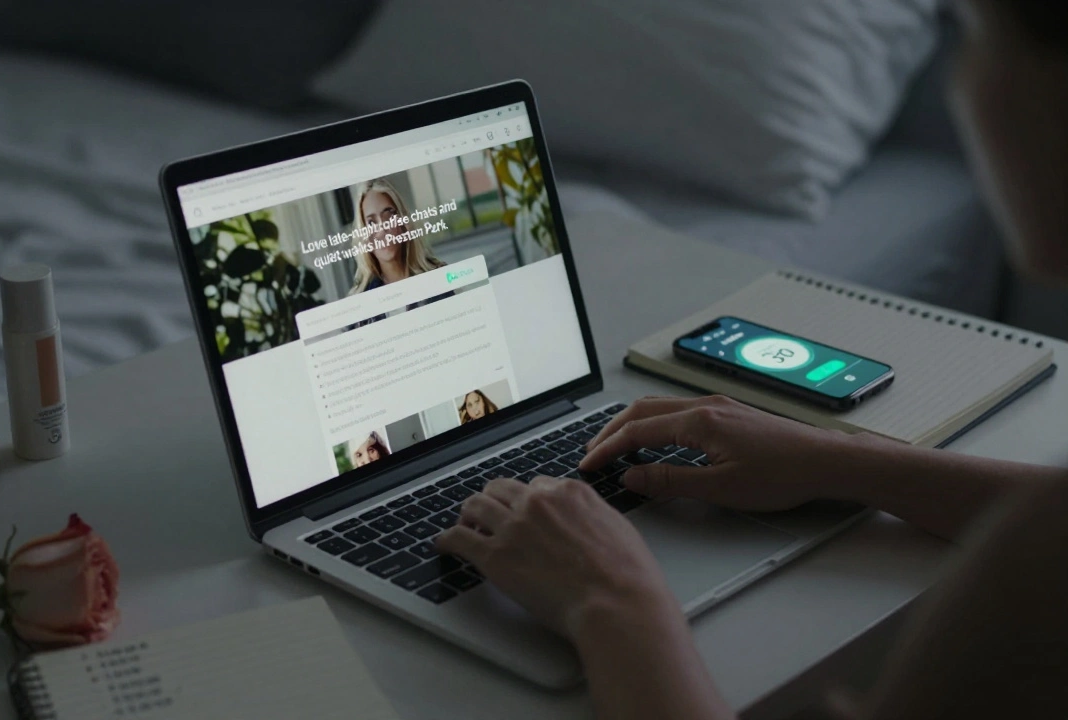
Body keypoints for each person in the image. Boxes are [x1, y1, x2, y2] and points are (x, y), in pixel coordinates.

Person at [437, 2, 1068, 718]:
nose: (965, 84)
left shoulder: (1030, 573)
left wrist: (611, 598)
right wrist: (839, 459)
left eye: (979, 38)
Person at [348, 178, 445, 295]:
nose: (382, 229)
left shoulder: (439, 276)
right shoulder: (360, 299)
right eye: (371, 223)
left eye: (389, 215)